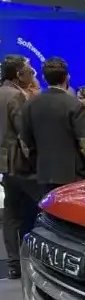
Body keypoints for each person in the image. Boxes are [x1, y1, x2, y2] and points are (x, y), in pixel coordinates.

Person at [19, 57, 85, 199]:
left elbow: (25, 142)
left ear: (44, 78)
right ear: (67, 77)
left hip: (43, 173)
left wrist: (36, 164)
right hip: (72, 174)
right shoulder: (73, 104)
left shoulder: (29, 105)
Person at [0, 54, 40, 279]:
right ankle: (37, 259)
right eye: (28, 69)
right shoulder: (16, 95)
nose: (31, 73)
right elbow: (23, 133)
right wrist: (34, 159)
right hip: (21, 164)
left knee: (11, 215)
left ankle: (14, 264)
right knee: (42, 206)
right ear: (18, 74)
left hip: (5, 164)